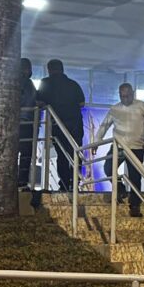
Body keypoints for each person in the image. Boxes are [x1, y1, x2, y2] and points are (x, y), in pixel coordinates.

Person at [95, 83, 144, 218]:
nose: (125, 99)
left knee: (135, 177)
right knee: (108, 168)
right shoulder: (115, 109)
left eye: (128, 96)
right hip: (118, 146)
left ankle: (135, 206)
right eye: (122, 96)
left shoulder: (142, 106)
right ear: (119, 95)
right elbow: (104, 126)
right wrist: (96, 142)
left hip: (137, 147)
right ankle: (121, 189)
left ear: (132, 93)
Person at [36, 59, 85, 193]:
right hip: (76, 124)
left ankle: (64, 184)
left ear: (49, 70)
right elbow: (81, 103)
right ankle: (75, 183)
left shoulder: (46, 83)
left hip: (58, 125)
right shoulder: (73, 84)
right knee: (76, 154)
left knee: (62, 156)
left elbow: (39, 102)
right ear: (62, 69)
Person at [18, 58, 37, 188]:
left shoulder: (13, 82)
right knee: (26, 154)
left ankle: (14, 180)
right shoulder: (27, 83)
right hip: (26, 122)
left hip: (15, 122)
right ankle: (22, 181)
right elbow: (30, 100)